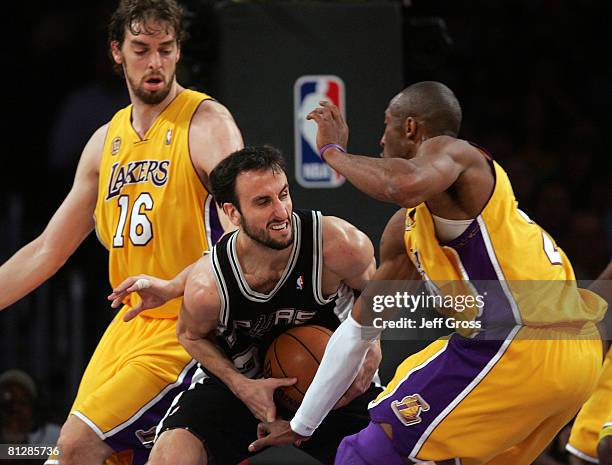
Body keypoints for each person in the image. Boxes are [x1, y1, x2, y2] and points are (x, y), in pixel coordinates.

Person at [250, 81, 607, 465]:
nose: (381, 141)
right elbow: (358, 331)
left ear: (411, 129)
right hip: (577, 358)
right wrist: (303, 423)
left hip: (518, 346)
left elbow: (399, 183)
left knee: (370, 449)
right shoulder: (408, 231)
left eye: (386, 127)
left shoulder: (455, 153)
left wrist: (332, 152)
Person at [0, 1, 243, 464]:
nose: (154, 62)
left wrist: (176, 284)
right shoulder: (103, 143)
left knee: (72, 448)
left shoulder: (208, 124)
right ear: (117, 52)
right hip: (128, 328)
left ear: (177, 52)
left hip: (190, 325)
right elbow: (47, 250)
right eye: (141, 49)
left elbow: (243, 237)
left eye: (165, 49)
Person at [107, 145, 383, 465]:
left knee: (391, 449)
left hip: (334, 382)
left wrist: (371, 340)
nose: (281, 212)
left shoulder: (340, 244)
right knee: (171, 454)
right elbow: (189, 335)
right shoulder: (208, 285)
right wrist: (240, 386)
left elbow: (377, 293)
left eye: (283, 194)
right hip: (245, 384)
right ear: (232, 213)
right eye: (263, 202)